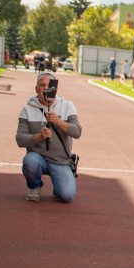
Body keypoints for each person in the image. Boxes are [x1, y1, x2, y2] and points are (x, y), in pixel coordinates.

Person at [16, 72, 82, 203]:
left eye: (49, 85)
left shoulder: (68, 106)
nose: (46, 88)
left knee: (67, 195)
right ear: (36, 89)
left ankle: (59, 186)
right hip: (37, 157)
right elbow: (20, 139)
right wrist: (39, 137)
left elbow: (77, 132)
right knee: (30, 161)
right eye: (42, 85)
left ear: (56, 88)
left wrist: (59, 122)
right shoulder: (27, 109)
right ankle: (34, 186)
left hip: (60, 160)